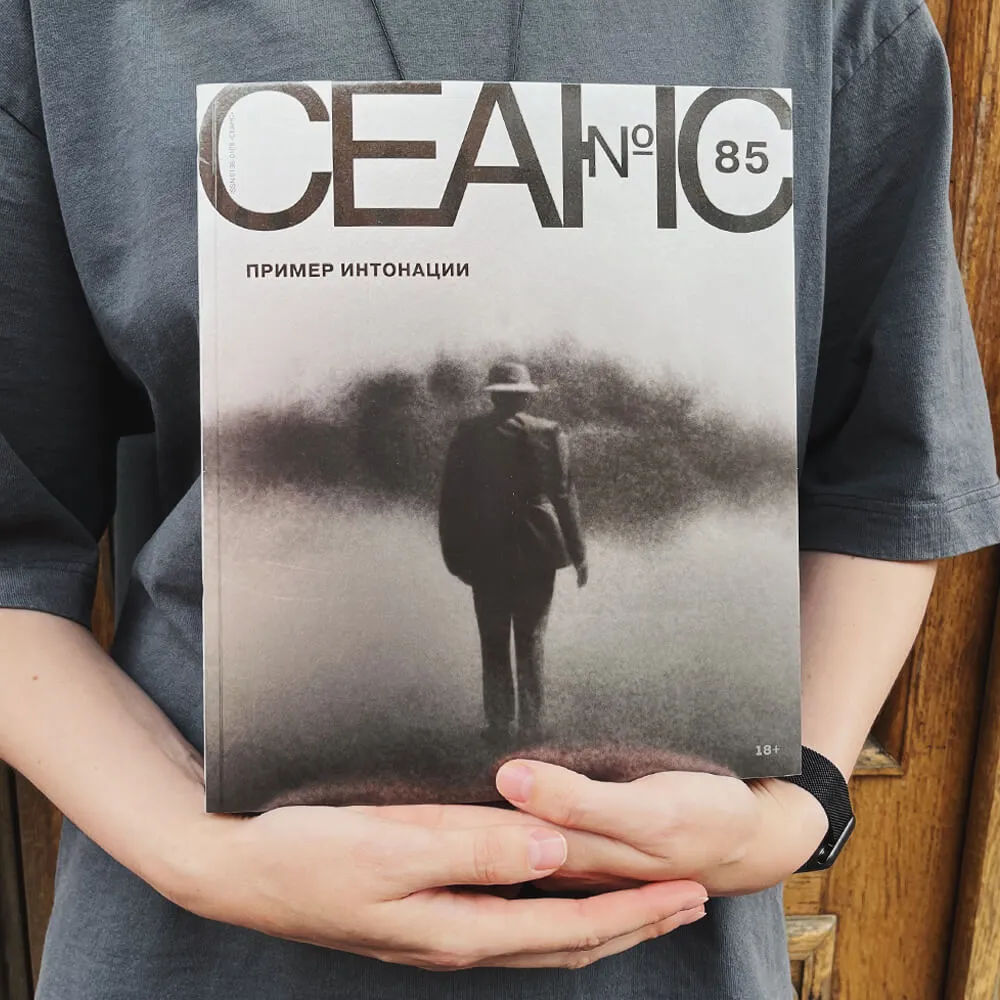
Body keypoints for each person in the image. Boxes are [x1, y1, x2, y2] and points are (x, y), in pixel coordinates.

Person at [1, 1, 999, 999]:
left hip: (661, 943)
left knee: (519, 639)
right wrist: (193, 849)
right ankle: (507, 714)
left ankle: (516, 718)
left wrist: (803, 801)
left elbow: (883, 472)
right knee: (506, 641)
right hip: (202, 947)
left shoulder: (818, 17)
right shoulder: (66, 22)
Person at [439, 361, 588, 746]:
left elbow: (451, 499)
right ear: (524, 396)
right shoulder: (550, 432)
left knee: (493, 638)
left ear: (493, 395)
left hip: (485, 548)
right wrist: (579, 553)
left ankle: (499, 725)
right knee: (531, 636)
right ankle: (531, 726)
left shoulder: (469, 434)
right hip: (539, 546)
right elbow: (564, 495)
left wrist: (453, 554)